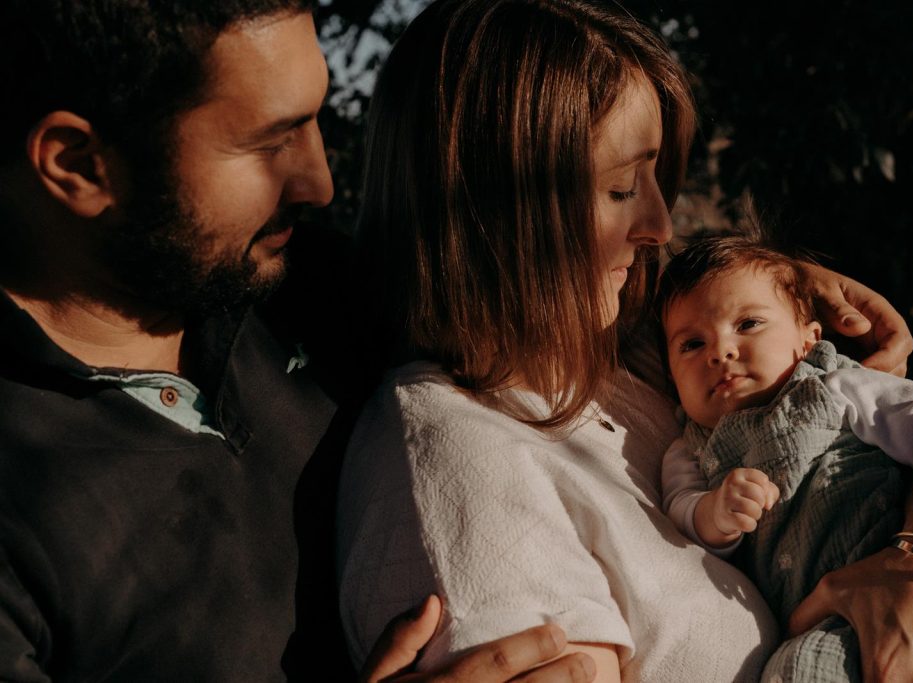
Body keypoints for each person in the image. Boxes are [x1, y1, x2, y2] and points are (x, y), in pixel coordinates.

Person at [332, 0, 913, 680]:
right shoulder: (457, 453)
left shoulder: (631, 358)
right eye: (623, 186)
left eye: (657, 178)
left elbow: (894, 431)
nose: (659, 222)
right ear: (495, 209)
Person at [0, 1, 601, 680]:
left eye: (316, 118)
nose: (320, 182)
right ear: (77, 164)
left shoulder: (322, 288)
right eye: (270, 140)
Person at [657, 231, 913, 681]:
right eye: (692, 344)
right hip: (820, 619)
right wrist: (715, 514)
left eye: (748, 324)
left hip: (906, 582)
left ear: (808, 340)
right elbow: (680, 509)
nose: (721, 352)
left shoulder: (834, 387)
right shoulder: (688, 448)